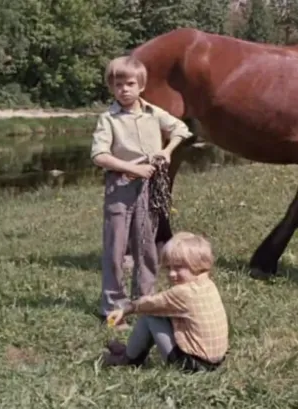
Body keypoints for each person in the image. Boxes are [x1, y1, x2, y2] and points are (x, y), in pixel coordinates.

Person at [90, 55, 193, 329]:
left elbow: (182, 129)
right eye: (117, 84)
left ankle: (144, 302)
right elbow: (99, 155)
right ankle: (112, 306)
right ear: (111, 88)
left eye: (130, 83)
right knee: (116, 249)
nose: (124, 89)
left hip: (149, 188)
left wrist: (167, 151)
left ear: (141, 86)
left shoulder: (153, 113)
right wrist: (131, 169)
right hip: (120, 187)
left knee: (146, 247)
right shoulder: (108, 119)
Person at [102, 232, 229, 373]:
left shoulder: (183, 293)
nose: (171, 274)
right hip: (215, 361)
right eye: (169, 268)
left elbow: (150, 304)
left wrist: (125, 310)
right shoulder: (207, 284)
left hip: (193, 366)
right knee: (162, 313)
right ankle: (131, 352)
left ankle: (128, 359)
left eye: (179, 267)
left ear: (198, 265)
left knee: (150, 315)